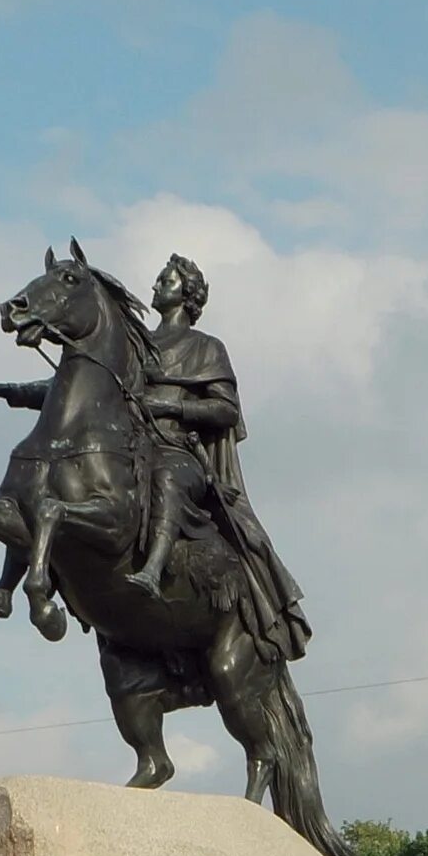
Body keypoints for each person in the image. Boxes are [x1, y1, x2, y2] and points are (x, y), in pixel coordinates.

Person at [123, 254, 311, 665]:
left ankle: (154, 569)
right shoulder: (135, 343)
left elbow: (225, 411)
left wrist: (172, 409)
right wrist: (15, 392)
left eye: (165, 280)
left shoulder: (206, 348)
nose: (155, 285)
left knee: (167, 478)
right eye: (158, 278)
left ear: (187, 294)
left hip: (178, 452)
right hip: (131, 447)